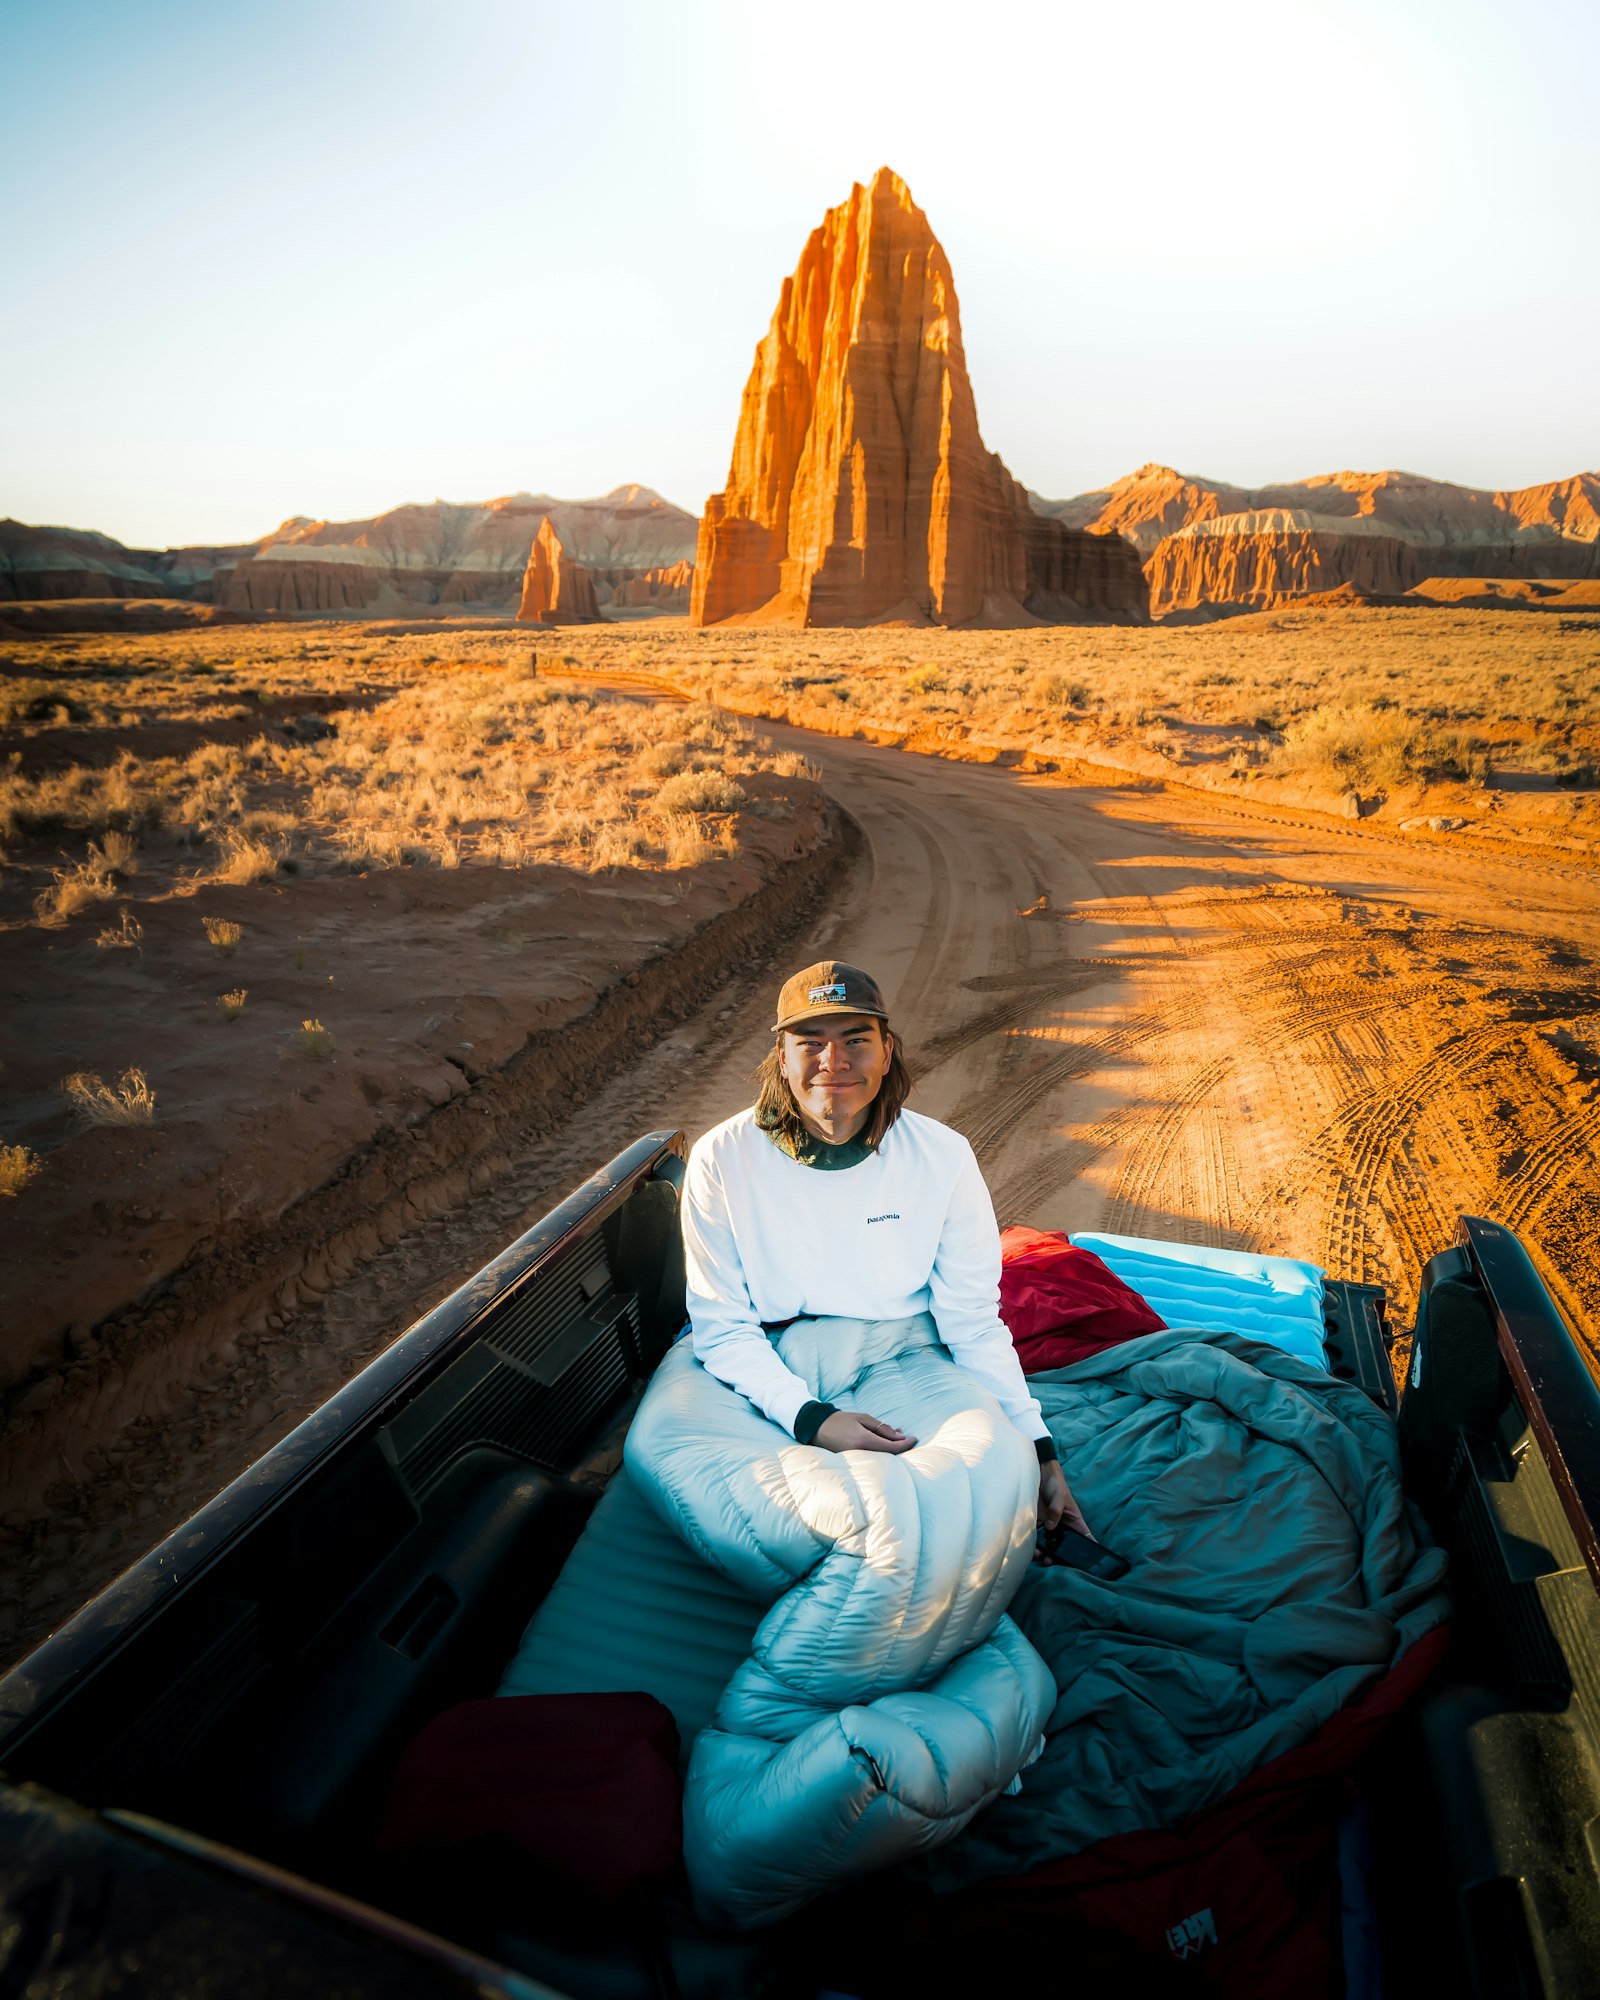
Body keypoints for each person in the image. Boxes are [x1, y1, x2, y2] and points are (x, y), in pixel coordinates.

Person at [680, 958, 1084, 1534]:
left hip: (902, 1353)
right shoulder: (722, 1156)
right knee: (733, 1504)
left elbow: (970, 1320)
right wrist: (811, 1418)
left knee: (990, 1482)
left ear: (888, 1050)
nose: (834, 1062)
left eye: (855, 1040)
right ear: (780, 1056)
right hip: (762, 1360)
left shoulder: (942, 1155)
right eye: (810, 1042)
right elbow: (721, 1325)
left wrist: (1039, 1450)